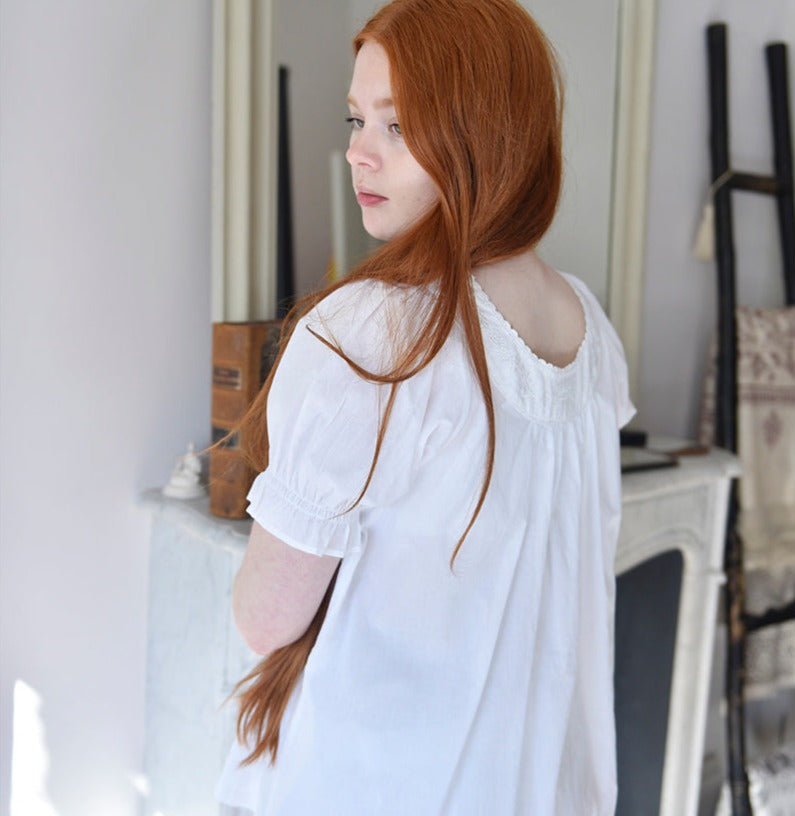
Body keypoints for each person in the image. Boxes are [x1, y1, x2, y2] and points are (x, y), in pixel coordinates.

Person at [216, 0, 634, 813]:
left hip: (383, 783)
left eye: (398, 126)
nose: (357, 152)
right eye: (356, 119)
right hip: (535, 784)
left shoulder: (371, 333)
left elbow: (264, 619)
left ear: (485, 133)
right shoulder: (590, 327)